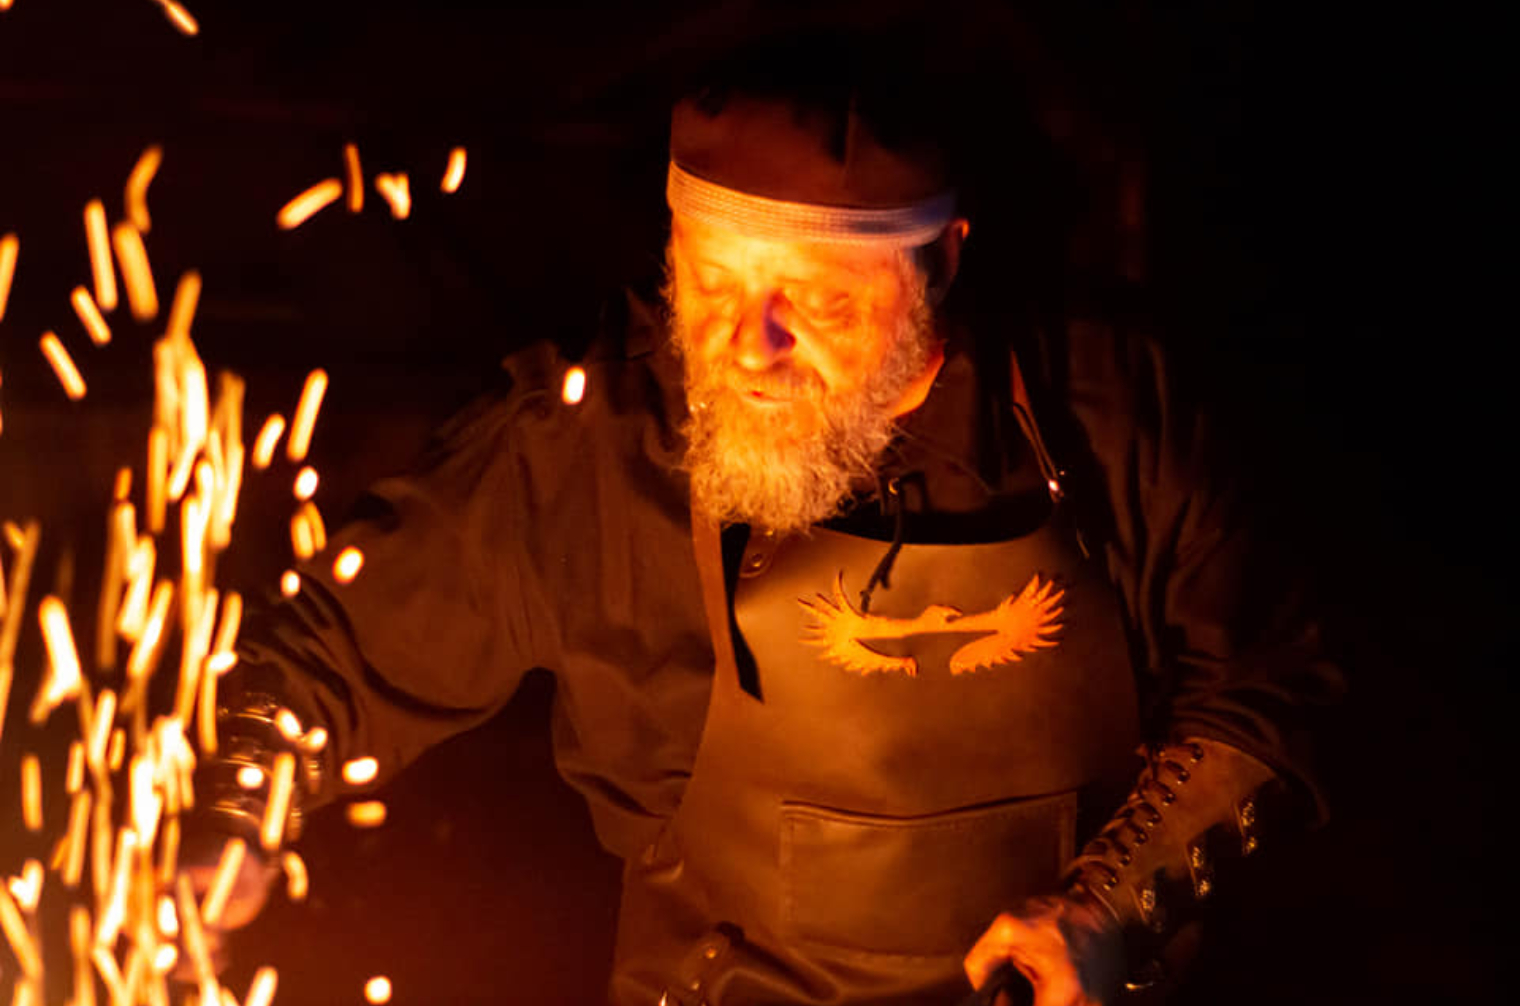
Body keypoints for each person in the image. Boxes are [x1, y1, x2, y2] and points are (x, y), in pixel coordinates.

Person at [190, 33, 1343, 1006]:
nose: (750, 345)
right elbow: (333, 657)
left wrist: (1107, 906)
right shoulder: (588, 442)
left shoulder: (1105, 406)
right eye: (711, 285)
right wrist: (233, 807)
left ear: (941, 262)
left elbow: (1271, 684)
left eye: (818, 300)